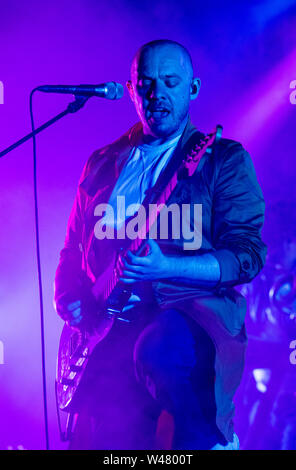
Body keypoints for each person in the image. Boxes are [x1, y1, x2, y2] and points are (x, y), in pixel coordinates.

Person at [54, 39, 267, 450]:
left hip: (186, 313)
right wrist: (70, 295)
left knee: (158, 351)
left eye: (171, 82)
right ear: (131, 90)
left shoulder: (221, 159)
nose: (158, 94)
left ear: (193, 88)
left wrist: (169, 268)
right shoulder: (102, 162)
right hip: (107, 327)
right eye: (147, 83)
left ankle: (209, 440)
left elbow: (248, 255)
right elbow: (69, 251)